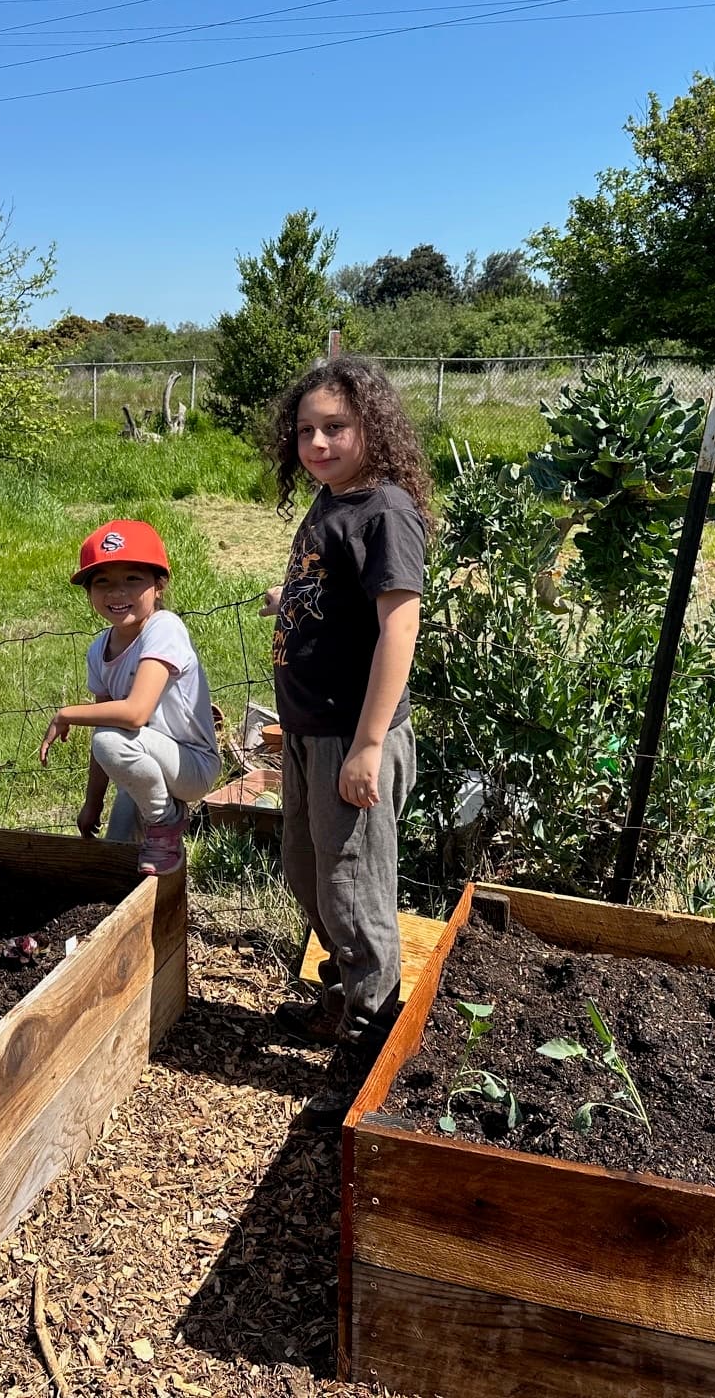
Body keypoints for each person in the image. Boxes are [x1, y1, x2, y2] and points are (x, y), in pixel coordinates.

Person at [262, 356, 430, 1048]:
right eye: (306, 430)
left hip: (351, 734)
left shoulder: (385, 511)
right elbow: (345, 592)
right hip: (309, 729)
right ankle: (340, 996)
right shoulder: (334, 500)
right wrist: (294, 598)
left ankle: (369, 1039)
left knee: (355, 893)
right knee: (310, 874)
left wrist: (366, 746)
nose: (317, 443)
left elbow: (399, 628)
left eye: (336, 427)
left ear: (373, 427)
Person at [40, 520, 220, 877]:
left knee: (110, 739)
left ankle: (166, 821)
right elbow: (105, 735)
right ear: (89, 591)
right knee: (121, 853)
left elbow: (135, 713)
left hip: (191, 766)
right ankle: (158, 882)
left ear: (159, 585)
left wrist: (66, 714)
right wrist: (93, 803)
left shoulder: (164, 628)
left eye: (132, 579)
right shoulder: (98, 650)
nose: (117, 592)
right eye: (102, 582)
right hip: (144, 767)